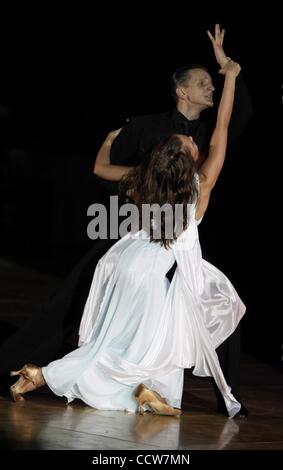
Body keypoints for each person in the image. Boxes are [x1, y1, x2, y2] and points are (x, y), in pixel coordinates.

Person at [0, 26, 252, 418]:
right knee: (168, 328)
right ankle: (45, 374)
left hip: (126, 263)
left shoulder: (147, 179)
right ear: (189, 161)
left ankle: (146, 391)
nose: (194, 143)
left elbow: (102, 167)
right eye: (190, 145)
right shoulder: (201, 186)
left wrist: (105, 141)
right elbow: (221, 128)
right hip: (151, 271)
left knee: (137, 337)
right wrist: (232, 76)